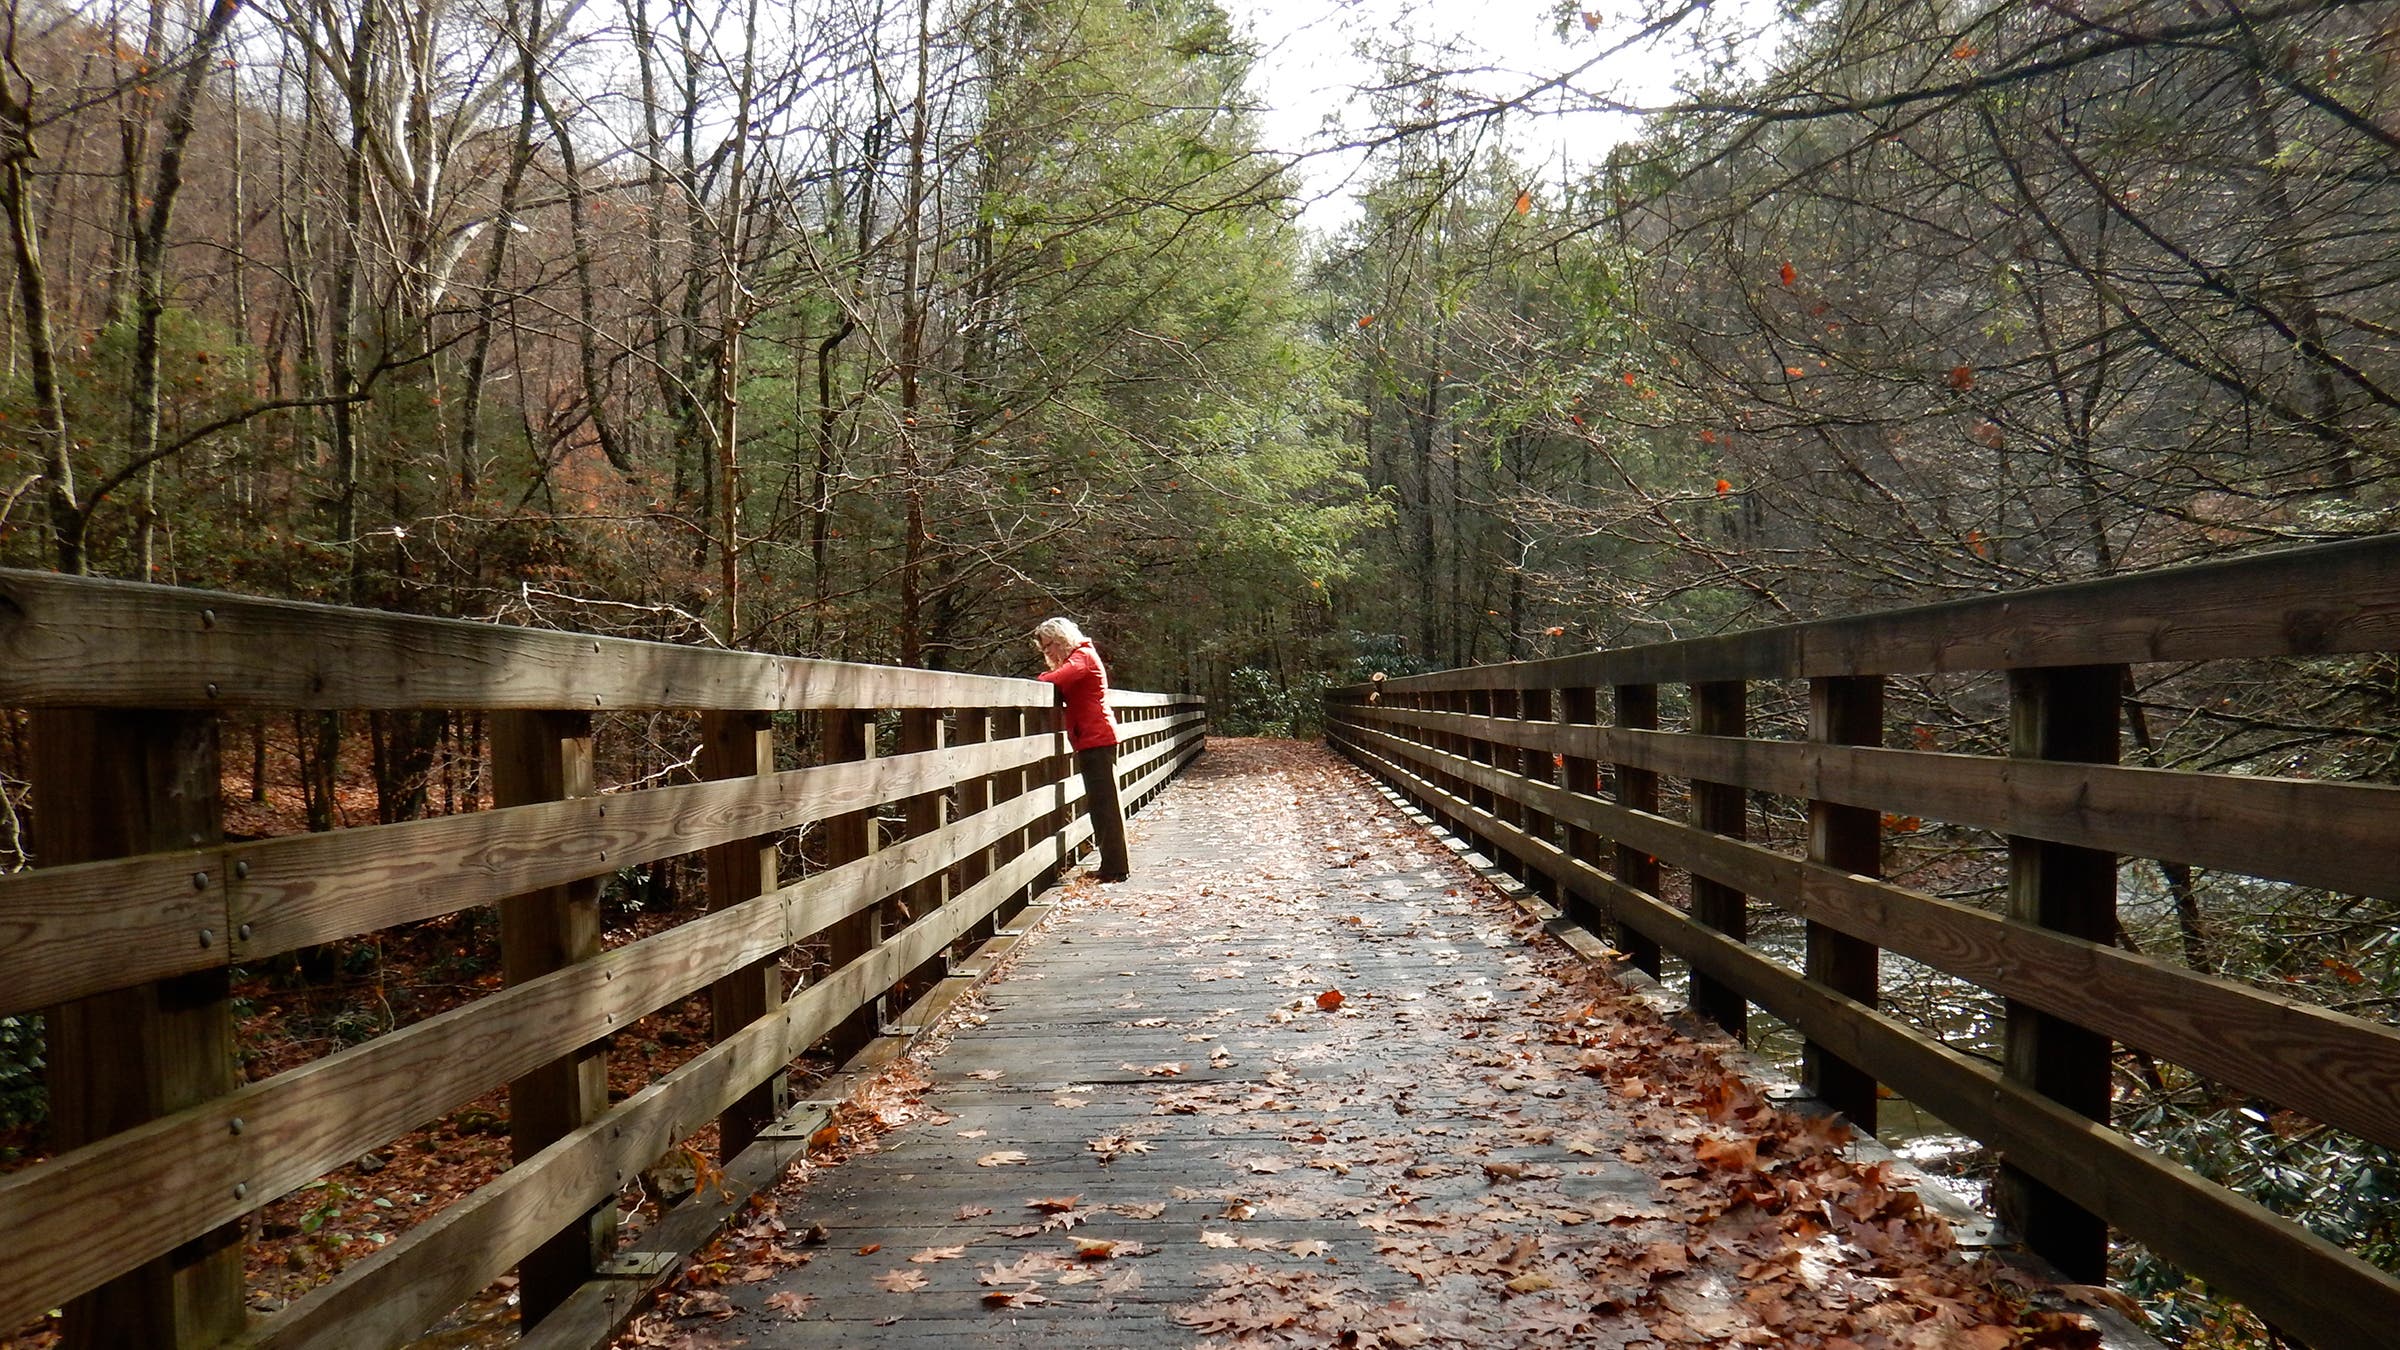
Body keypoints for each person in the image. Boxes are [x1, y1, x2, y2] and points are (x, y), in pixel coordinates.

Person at [1034, 616, 1129, 882]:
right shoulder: (1082, 656)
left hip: (1096, 738)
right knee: (1101, 804)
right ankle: (1112, 865)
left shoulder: (1082, 656)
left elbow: (1054, 679)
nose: (1048, 653)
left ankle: (1115, 868)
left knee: (1105, 805)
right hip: (1092, 738)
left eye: (1049, 645)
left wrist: (1043, 675)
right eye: (1044, 649)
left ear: (1062, 638)